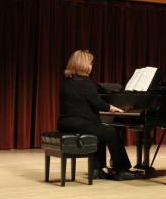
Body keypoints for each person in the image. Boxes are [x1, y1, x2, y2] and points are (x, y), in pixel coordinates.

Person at [57, 50, 137, 181]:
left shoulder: (66, 83)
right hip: (79, 124)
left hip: (64, 124)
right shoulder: (85, 82)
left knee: (100, 129)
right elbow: (97, 103)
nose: (91, 66)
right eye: (90, 63)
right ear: (84, 65)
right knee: (110, 132)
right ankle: (121, 170)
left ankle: (96, 169)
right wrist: (113, 108)